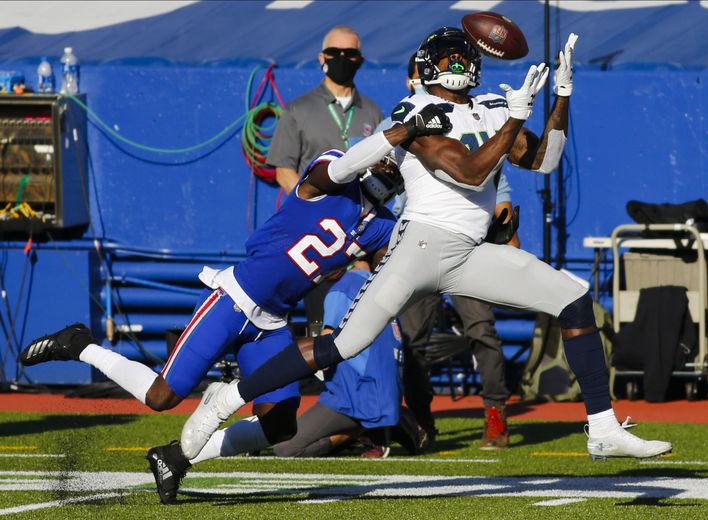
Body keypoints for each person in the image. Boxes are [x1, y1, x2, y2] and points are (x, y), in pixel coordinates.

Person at [181, 28, 673, 463]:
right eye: (447, 60)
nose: (456, 67)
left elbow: (543, 159)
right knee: (344, 343)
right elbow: (469, 170)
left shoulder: (491, 107)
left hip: (468, 252)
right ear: (428, 68)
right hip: (418, 245)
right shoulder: (418, 111)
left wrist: (562, 98)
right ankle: (227, 398)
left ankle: (603, 428)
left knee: (574, 297)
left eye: (461, 60)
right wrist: (512, 121)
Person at [18, 104, 449, 504]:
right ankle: (79, 344)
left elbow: (406, 257)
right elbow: (345, 165)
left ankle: (177, 457)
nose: (389, 167)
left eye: (399, 164)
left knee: (281, 424)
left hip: (274, 322)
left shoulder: (382, 225)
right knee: (162, 396)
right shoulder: (330, 176)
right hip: (234, 300)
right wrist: (404, 132)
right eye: (387, 156)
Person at [391, 53, 525, 450]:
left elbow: (494, 177)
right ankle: (421, 418)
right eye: (417, 76)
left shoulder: (472, 115)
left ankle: (496, 414)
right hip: (417, 239)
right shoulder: (397, 122)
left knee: (481, 327)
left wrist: (503, 216)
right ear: (411, 80)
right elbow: (377, 183)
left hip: (469, 237)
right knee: (413, 338)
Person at [267, 25, 384, 333]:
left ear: (360, 59)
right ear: (322, 58)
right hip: (311, 229)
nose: (342, 59)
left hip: (357, 231)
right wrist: (318, 205)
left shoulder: (372, 112)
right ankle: (310, 377)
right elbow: (284, 170)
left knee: (355, 317)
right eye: (335, 53)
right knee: (315, 320)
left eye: (350, 54)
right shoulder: (298, 109)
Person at [273, 259, 424, 459]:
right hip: (385, 391)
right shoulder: (383, 286)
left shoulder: (342, 289)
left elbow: (324, 349)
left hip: (357, 394)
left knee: (285, 448)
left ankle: (360, 429)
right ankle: (392, 419)